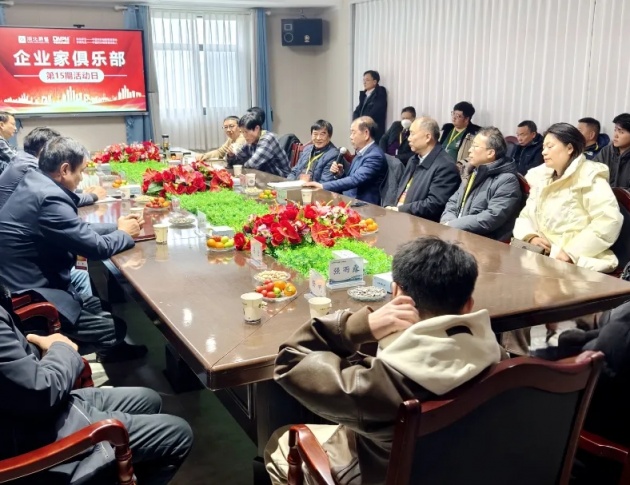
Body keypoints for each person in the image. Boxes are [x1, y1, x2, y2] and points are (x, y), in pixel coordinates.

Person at [264, 236, 502, 485]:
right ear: (468, 305)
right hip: (464, 468)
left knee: (280, 442)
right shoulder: (499, 359)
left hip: (381, 474)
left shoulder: (373, 385)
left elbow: (289, 361)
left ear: (396, 292)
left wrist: (359, 326)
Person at [0, 301, 193, 485]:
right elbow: (41, 391)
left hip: (40, 410)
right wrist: (62, 349)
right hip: (36, 434)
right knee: (179, 434)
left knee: (150, 400)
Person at [0, 136, 148, 362]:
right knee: (115, 329)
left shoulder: (34, 181)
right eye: (81, 171)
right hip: (30, 295)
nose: (82, 178)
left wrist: (117, 227)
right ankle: (48, 350)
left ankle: (109, 350)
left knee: (101, 305)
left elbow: (76, 230)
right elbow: (97, 249)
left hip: (21, 282)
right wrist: (125, 235)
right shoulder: (50, 198)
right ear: (65, 170)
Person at [513, 122, 622, 273]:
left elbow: (609, 220)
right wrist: (531, 237)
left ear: (570, 148)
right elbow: (526, 215)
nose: (544, 152)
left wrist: (571, 253)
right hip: (541, 256)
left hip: (574, 261)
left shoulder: (589, 176)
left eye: (550, 147)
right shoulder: (542, 177)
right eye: (543, 147)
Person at [441, 126, 523, 241]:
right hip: (457, 233)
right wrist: (447, 221)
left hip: (482, 242)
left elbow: (491, 217)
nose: (470, 150)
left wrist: (452, 225)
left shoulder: (507, 180)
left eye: (475, 146)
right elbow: (453, 202)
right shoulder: (472, 171)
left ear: (490, 153)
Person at [385, 117, 460, 221]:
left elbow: (434, 204)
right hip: (400, 217)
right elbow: (401, 190)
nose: (409, 138)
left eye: (412, 134)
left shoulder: (446, 166)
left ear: (428, 137)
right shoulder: (414, 159)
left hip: (420, 224)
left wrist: (401, 209)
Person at [304, 116, 387, 205]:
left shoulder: (374, 156)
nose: (351, 137)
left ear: (366, 134)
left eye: (353, 133)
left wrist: (322, 185)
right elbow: (352, 178)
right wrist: (340, 174)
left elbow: (355, 180)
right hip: (348, 199)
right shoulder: (361, 153)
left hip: (363, 205)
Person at [226, 112, 290, 177]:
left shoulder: (268, 139)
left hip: (282, 178)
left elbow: (252, 165)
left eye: (246, 132)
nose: (244, 135)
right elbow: (237, 161)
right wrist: (231, 156)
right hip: (264, 177)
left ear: (257, 128)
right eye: (242, 132)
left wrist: (241, 164)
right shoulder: (250, 141)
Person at [594, 113, 630, 188]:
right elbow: (592, 172)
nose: (615, 135)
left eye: (621, 132)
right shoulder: (606, 151)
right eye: (615, 130)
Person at [352, 70, 387, 141]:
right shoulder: (364, 95)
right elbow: (357, 111)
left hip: (373, 131)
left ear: (374, 82)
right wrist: (357, 122)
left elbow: (375, 110)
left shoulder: (380, 92)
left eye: (367, 80)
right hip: (362, 128)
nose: (364, 82)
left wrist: (362, 122)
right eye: (364, 80)